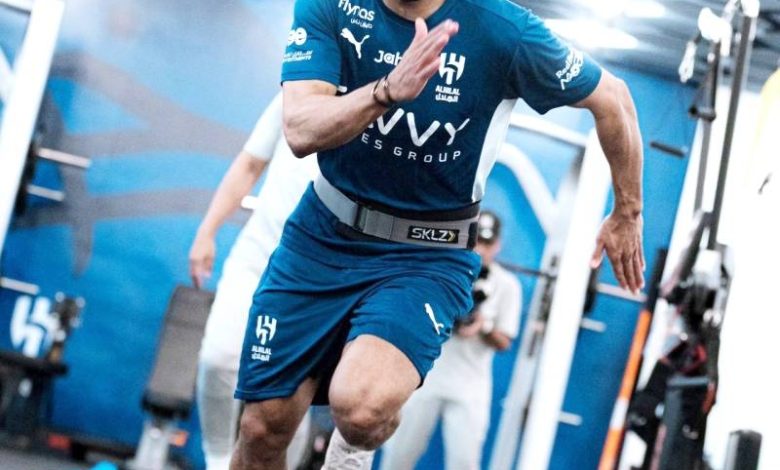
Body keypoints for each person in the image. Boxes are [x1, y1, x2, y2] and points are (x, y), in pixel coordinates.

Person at [231, 1, 645, 469]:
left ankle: (353, 449)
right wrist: (386, 92)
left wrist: (627, 212)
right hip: (320, 238)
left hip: (426, 254)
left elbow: (614, 98)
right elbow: (301, 129)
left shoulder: (504, 29)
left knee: (361, 410)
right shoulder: (332, 5)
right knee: (262, 427)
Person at [189, 93, 318, 470]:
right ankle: (217, 461)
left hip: (316, 279)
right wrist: (207, 231)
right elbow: (249, 164)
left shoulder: (377, 111)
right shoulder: (295, 93)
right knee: (217, 358)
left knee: (292, 395)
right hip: (257, 257)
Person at [380, 210, 521, 470]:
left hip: (470, 387)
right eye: (477, 240)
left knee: (464, 462)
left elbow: (505, 341)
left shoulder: (507, 285)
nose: (481, 249)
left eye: (487, 243)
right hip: (426, 378)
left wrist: (483, 326)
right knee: (398, 455)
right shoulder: (444, 271)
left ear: (497, 245)